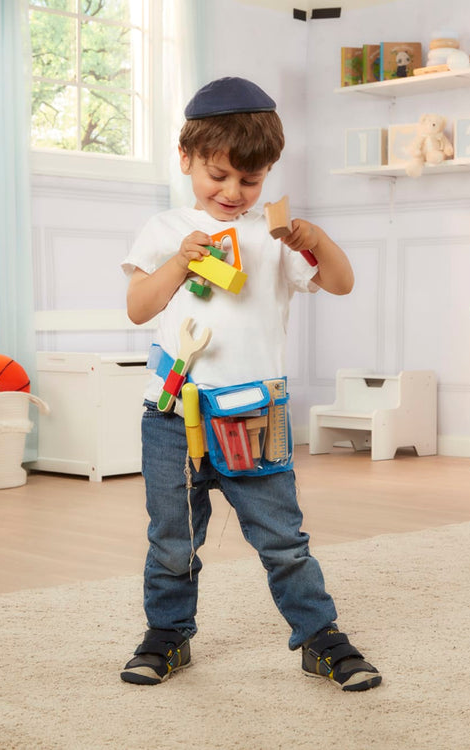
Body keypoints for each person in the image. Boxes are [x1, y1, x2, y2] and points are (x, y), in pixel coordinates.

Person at [119, 76, 381, 692]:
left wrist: (314, 240)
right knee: (173, 540)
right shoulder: (165, 230)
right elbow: (138, 307)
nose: (233, 193)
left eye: (250, 180)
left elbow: (341, 282)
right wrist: (180, 260)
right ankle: (168, 635)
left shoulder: (274, 235)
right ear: (185, 158)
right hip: (170, 414)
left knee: (284, 540)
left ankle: (320, 638)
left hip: (254, 416)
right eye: (218, 176)